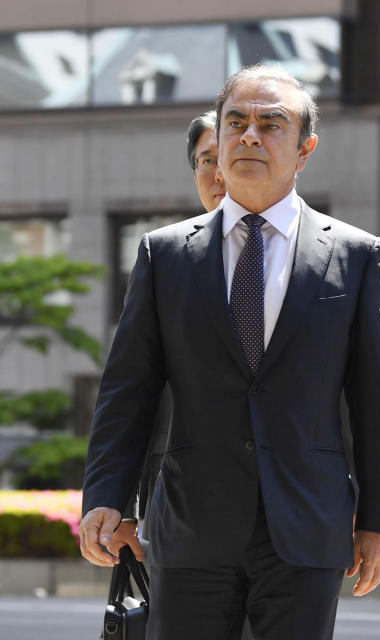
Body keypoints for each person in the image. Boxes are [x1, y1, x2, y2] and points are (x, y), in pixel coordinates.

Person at [79, 64, 380, 640]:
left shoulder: (354, 256)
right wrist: (107, 497)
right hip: (190, 525)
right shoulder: (166, 254)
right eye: (237, 122)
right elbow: (128, 388)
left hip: (307, 525)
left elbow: (378, 401)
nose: (250, 135)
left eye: (271, 124)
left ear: (304, 149)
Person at [107, 110, 227, 561]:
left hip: (287, 517)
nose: (218, 173)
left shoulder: (312, 253)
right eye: (205, 160)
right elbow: (133, 390)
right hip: (176, 506)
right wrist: (121, 506)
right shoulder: (165, 257)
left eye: (227, 156)